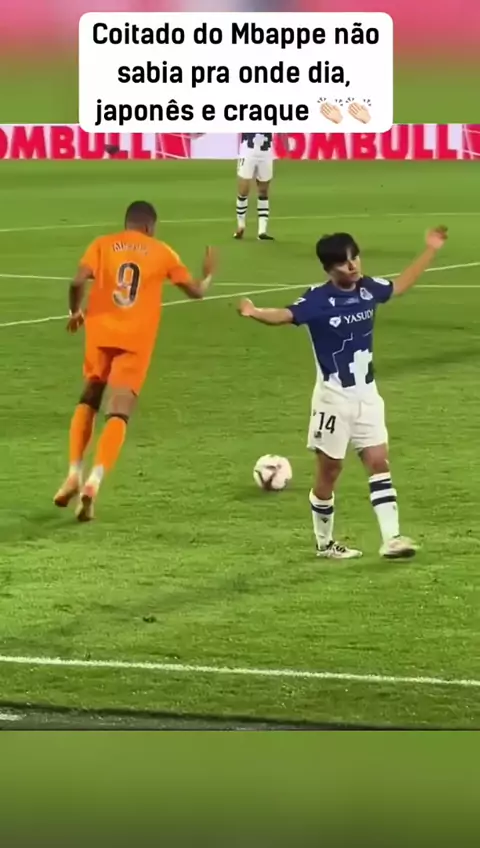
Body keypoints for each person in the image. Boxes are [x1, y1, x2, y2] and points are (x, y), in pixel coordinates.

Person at [237, 226, 448, 559]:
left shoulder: (368, 289)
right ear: (328, 268)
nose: (353, 266)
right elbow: (286, 315)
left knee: (378, 462)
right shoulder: (318, 299)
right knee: (330, 471)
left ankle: (392, 538)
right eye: (344, 262)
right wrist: (255, 312)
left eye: (355, 258)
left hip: (368, 396)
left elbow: (400, 285)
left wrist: (431, 249)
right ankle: (325, 544)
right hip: (333, 400)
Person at [54, 201, 216, 522]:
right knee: (119, 410)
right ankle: (94, 482)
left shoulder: (102, 244)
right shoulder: (162, 251)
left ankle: (73, 472)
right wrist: (208, 275)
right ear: (150, 227)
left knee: (89, 397)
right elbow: (196, 292)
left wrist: (75, 312)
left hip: (100, 332)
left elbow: (76, 282)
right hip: (136, 339)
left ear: (127, 222)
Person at [234, 133, 289, 241]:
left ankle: (262, 231)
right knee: (244, 190)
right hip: (248, 151)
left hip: (266, 152)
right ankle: (241, 225)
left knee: (263, 190)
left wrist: (286, 148)